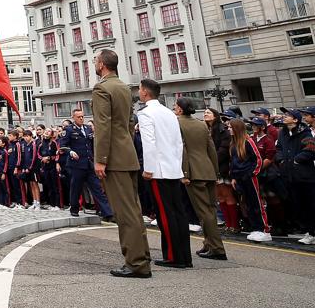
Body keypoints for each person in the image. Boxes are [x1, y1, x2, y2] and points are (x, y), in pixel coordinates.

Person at [91, 50, 151, 278]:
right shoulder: (124, 87)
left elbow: (102, 126)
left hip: (114, 158)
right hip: (127, 154)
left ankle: (136, 263)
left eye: (96, 61)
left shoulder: (102, 88)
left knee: (125, 213)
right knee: (133, 210)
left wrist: (101, 159)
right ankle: (142, 256)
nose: (95, 64)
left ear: (103, 65)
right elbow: (128, 123)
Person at [136, 79, 190, 268]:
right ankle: (185, 255)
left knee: (165, 214)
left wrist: (148, 169)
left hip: (158, 170)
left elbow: (149, 143)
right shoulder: (168, 112)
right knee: (178, 212)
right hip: (173, 168)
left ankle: (173, 256)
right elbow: (178, 143)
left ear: (145, 92)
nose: (139, 92)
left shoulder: (145, 113)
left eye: (140, 90)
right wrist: (178, 167)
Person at [175, 99, 226, 260]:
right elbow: (210, 149)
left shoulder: (177, 123)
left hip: (193, 171)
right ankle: (209, 243)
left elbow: (182, 148)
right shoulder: (201, 124)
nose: (174, 109)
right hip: (208, 170)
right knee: (209, 209)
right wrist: (215, 172)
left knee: (204, 212)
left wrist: (184, 173)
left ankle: (217, 248)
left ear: (181, 110)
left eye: (176, 106)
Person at [273, 108, 315, 247]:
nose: (284, 117)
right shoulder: (283, 133)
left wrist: (297, 159)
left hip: (305, 175)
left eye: (287, 116)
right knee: (300, 206)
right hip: (289, 175)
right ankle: (310, 233)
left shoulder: (304, 132)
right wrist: (281, 160)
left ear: (295, 119)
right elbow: (279, 148)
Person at [57, 108, 112, 219]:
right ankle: (74, 208)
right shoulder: (68, 130)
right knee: (76, 188)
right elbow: (62, 144)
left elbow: (92, 145)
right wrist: (70, 151)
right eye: (79, 117)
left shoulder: (87, 129)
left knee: (97, 188)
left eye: (82, 116)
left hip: (89, 163)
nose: (81, 118)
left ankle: (108, 213)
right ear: (74, 117)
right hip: (77, 164)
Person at [228, 117, 270, 242]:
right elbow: (234, 162)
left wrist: (252, 174)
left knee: (256, 203)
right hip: (240, 177)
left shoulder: (248, 141)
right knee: (248, 204)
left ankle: (265, 230)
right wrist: (234, 177)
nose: (229, 129)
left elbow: (258, 159)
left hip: (249, 177)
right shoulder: (234, 143)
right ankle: (256, 228)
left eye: (231, 127)